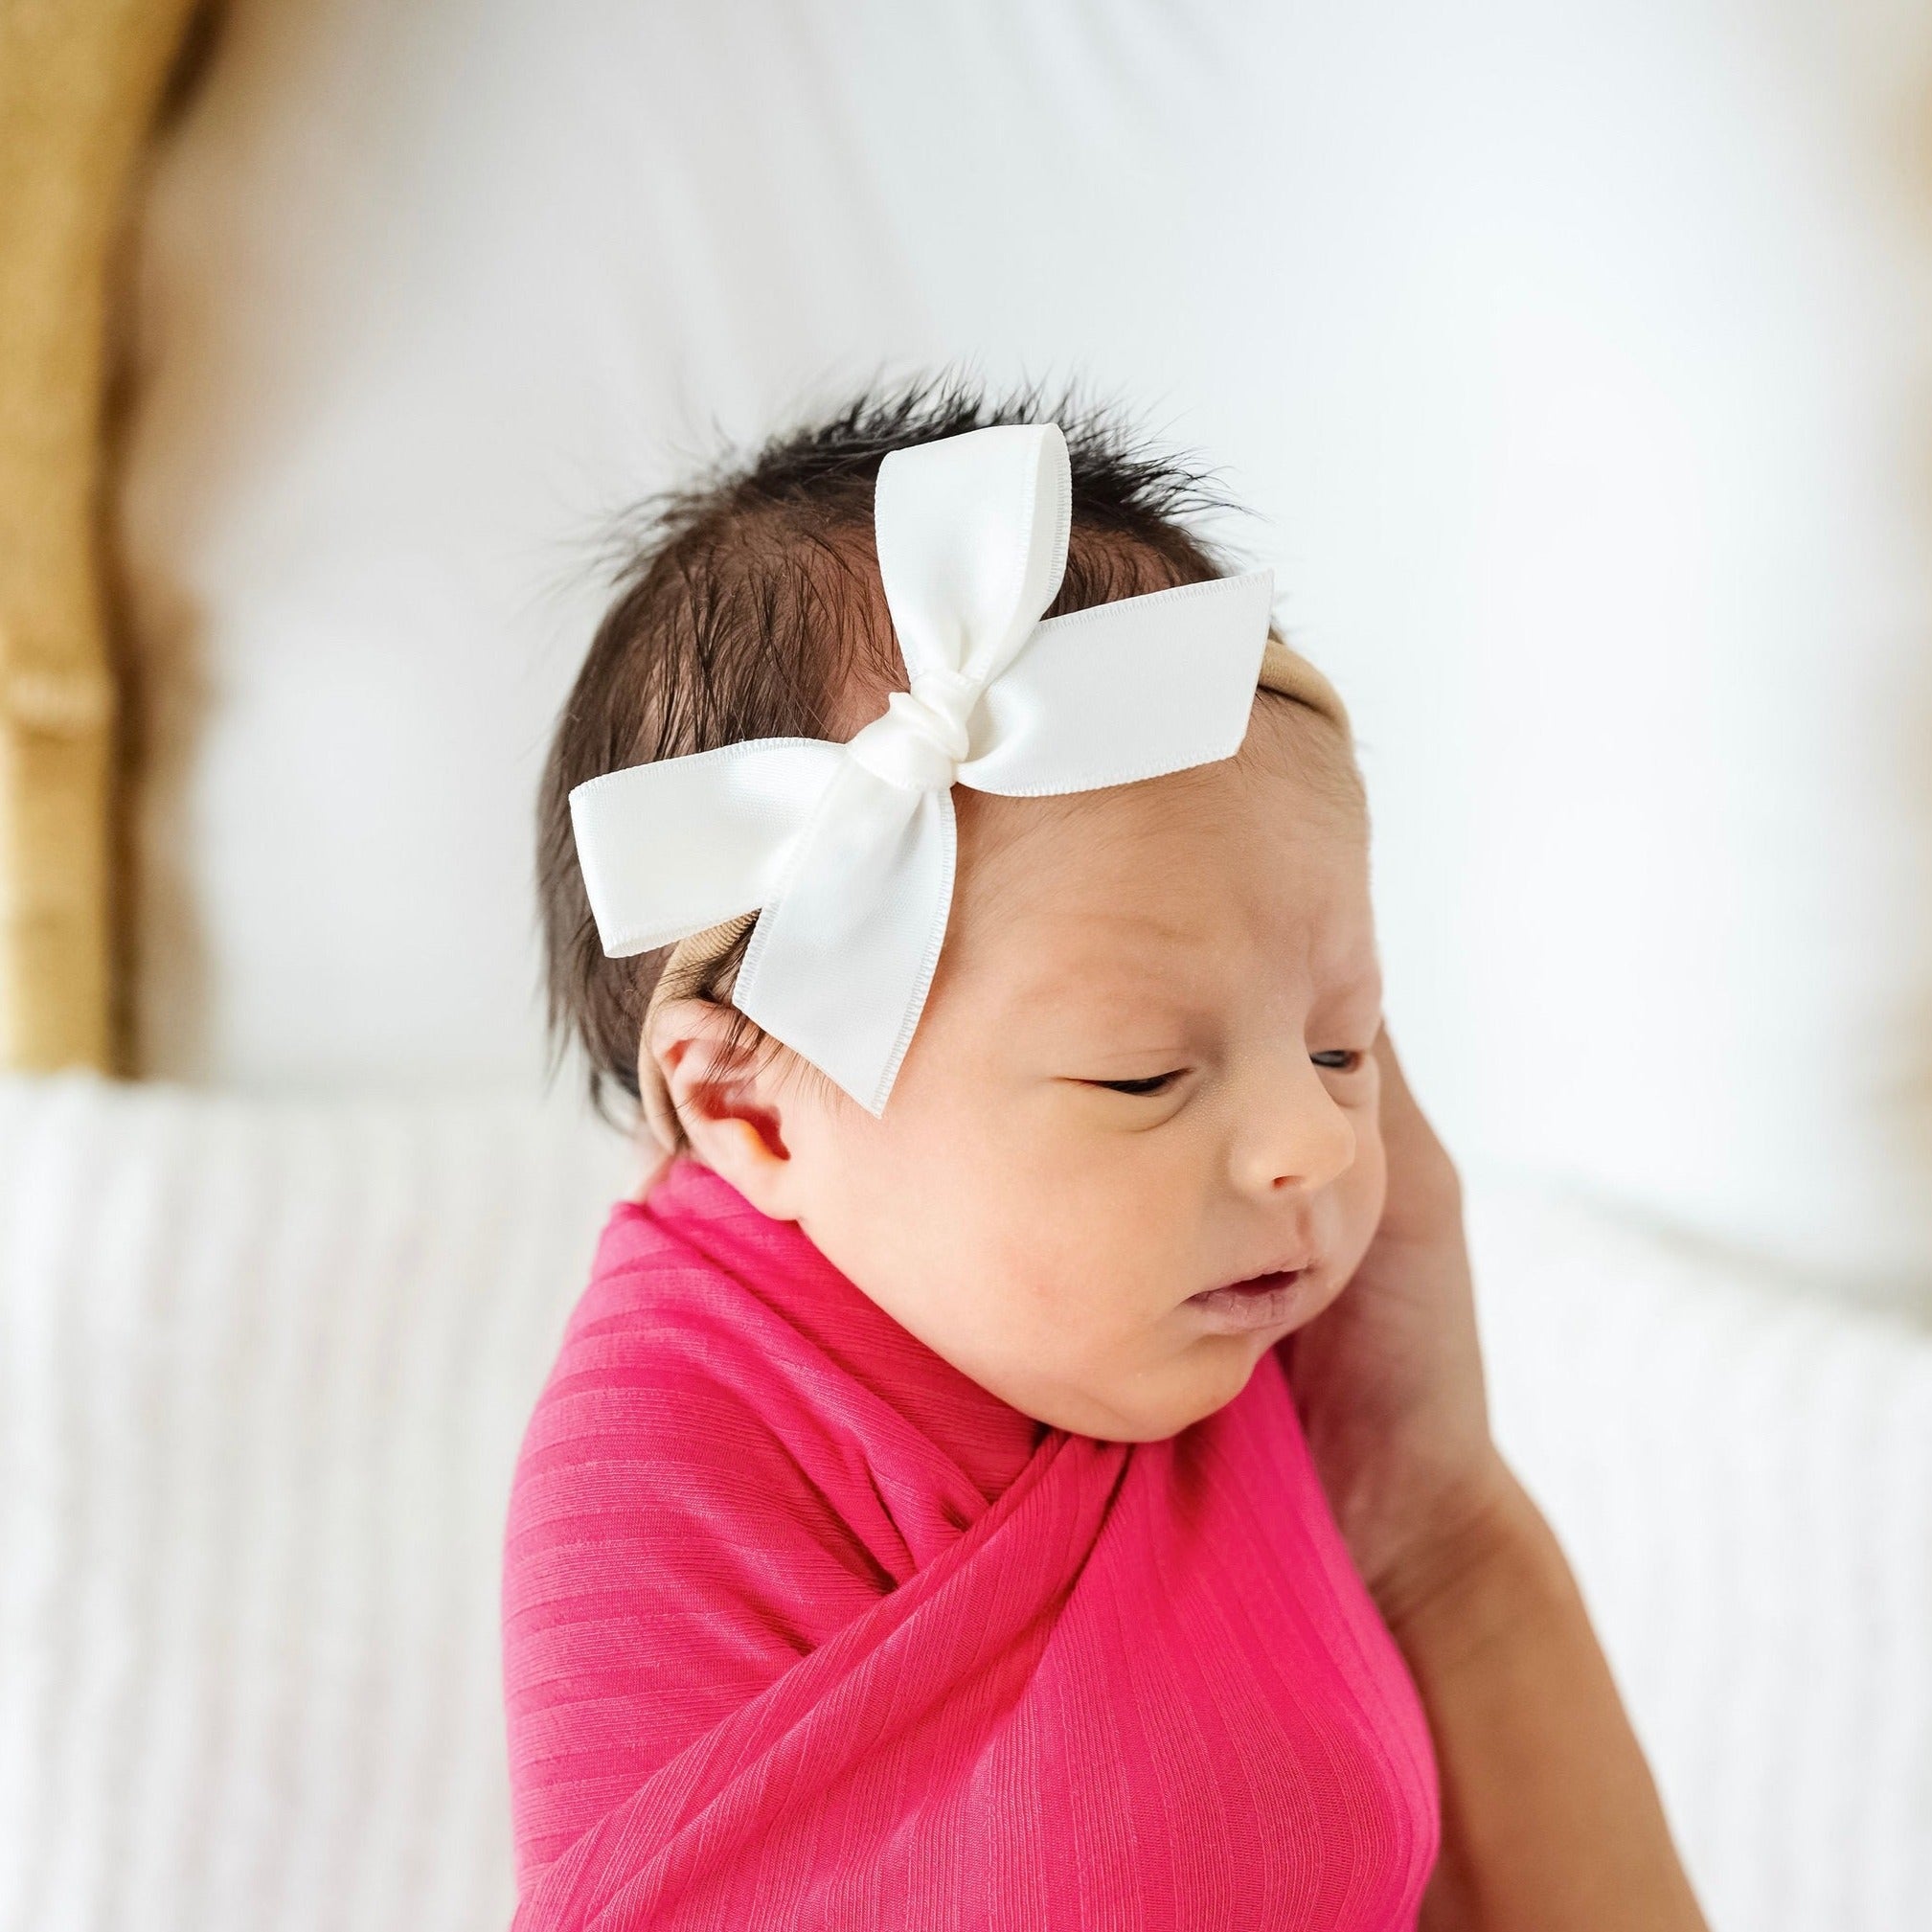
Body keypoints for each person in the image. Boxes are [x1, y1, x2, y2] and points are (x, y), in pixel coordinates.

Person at [504, 381, 1708, 1929]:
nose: (1308, 1143)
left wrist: (1439, 1510)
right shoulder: (679, 1451)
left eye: (1340, 1042)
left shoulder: (1212, 1341)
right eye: (1143, 1073)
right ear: (749, 1109)